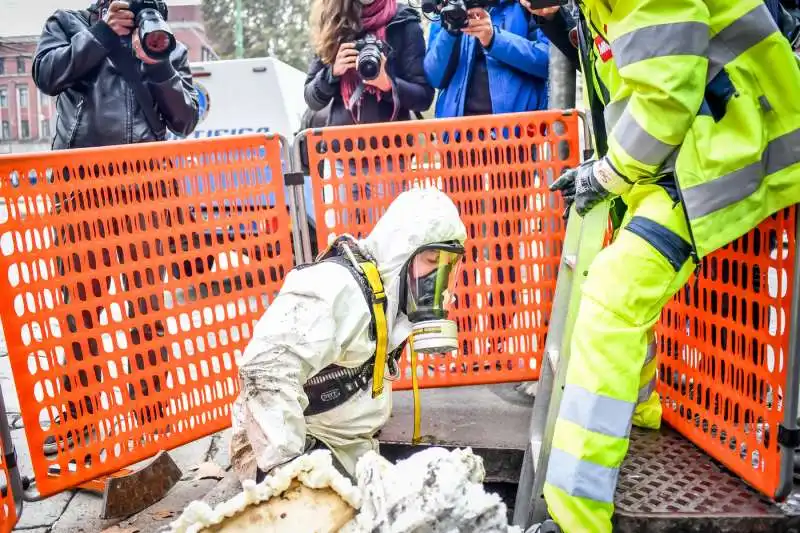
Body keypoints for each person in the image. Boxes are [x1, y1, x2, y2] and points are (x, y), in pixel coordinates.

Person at [518, 1, 800, 532]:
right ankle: (642, 410)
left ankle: (577, 521)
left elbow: (667, 98)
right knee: (621, 284)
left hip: (721, 151)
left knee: (612, 297)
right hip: (697, 149)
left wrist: (609, 174)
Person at [230, 187, 467, 481]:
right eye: (432, 262)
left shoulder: (389, 296)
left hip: (346, 448)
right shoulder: (335, 289)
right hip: (296, 450)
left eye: (448, 267)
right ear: (401, 252)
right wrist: (291, 475)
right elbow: (265, 370)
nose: (438, 280)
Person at [33, 0, 199, 149]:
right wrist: (101, 34)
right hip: (82, 172)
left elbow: (185, 123)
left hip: (147, 173)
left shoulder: (169, 47)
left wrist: (159, 66)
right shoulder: (68, 24)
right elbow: (46, 76)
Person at [304, 0, 434, 126]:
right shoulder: (334, 22)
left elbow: (424, 98)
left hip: (392, 142)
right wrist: (331, 73)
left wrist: (389, 86)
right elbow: (311, 100)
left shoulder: (404, 21)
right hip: (342, 142)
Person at [424, 0, 550, 118]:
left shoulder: (523, 5)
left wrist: (494, 39)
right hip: (457, 132)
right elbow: (434, 77)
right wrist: (450, 29)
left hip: (518, 130)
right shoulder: (447, 7)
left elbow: (549, 63)